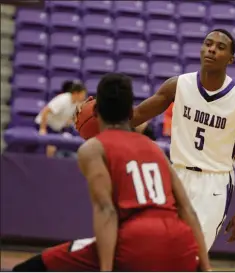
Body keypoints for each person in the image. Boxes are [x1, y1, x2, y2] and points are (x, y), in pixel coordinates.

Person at [13, 73, 211, 271]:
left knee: (28, 269)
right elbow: (187, 210)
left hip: (136, 238)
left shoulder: (93, 148)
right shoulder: (155, 148)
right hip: (180, 242)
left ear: (97, 111)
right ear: (131, 113)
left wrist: (106, 269)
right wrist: (204, 265)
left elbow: (106, 210)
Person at [129, 29, 235, 249]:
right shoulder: (178, 85)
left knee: (192, 255)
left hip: (214, 183)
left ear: (231, 58)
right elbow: (138, 115)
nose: (212, 49)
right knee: (158, 250)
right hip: (177, 174)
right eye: (208, 43)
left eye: (220, 47)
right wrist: (101, 115)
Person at [35, 81, 86, 157]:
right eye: (82, 95)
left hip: (55, 129)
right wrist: (43, 129)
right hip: (45, 125)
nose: (84, 97)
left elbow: (69, 118)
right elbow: (45, 111)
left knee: (54, 150)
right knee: (50, 150)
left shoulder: (75, 103)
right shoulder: (63, 100)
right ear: (76, 93)